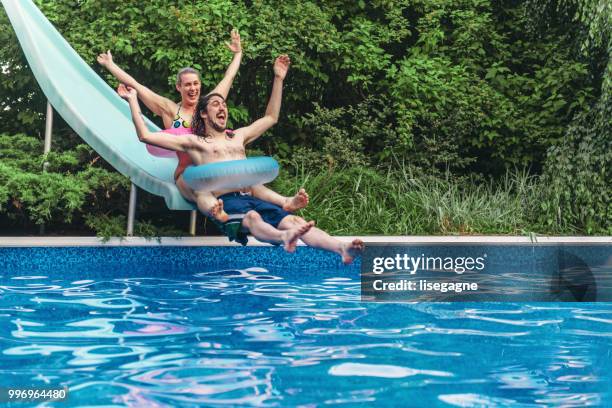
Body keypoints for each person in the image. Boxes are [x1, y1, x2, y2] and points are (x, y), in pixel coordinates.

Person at [118, 55, 363, 263]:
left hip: (251, 196)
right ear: (203, 114)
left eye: (223, 104)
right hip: (227, 203)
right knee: (254, 219)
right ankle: (283, 237)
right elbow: (145, 136)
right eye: (215, 104)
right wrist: (132, 102)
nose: (222, 107)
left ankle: (340, 248)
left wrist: (278, 78)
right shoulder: (195, 142)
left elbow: (270, 118)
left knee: (295, 221)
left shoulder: (238, 136)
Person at [98, 30, 308, 221]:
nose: (193, 88)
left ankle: (272, 208)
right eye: (187, 84)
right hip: (188, 172)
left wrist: (238, 54)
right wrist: (110, 65)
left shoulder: (209, 106)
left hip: (214, 170)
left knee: (250, 184)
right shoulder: (170, 109)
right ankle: (226, 217)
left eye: (196, 84)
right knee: (201, 190)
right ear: (179, 87)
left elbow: (229, 77)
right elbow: (137, 86)